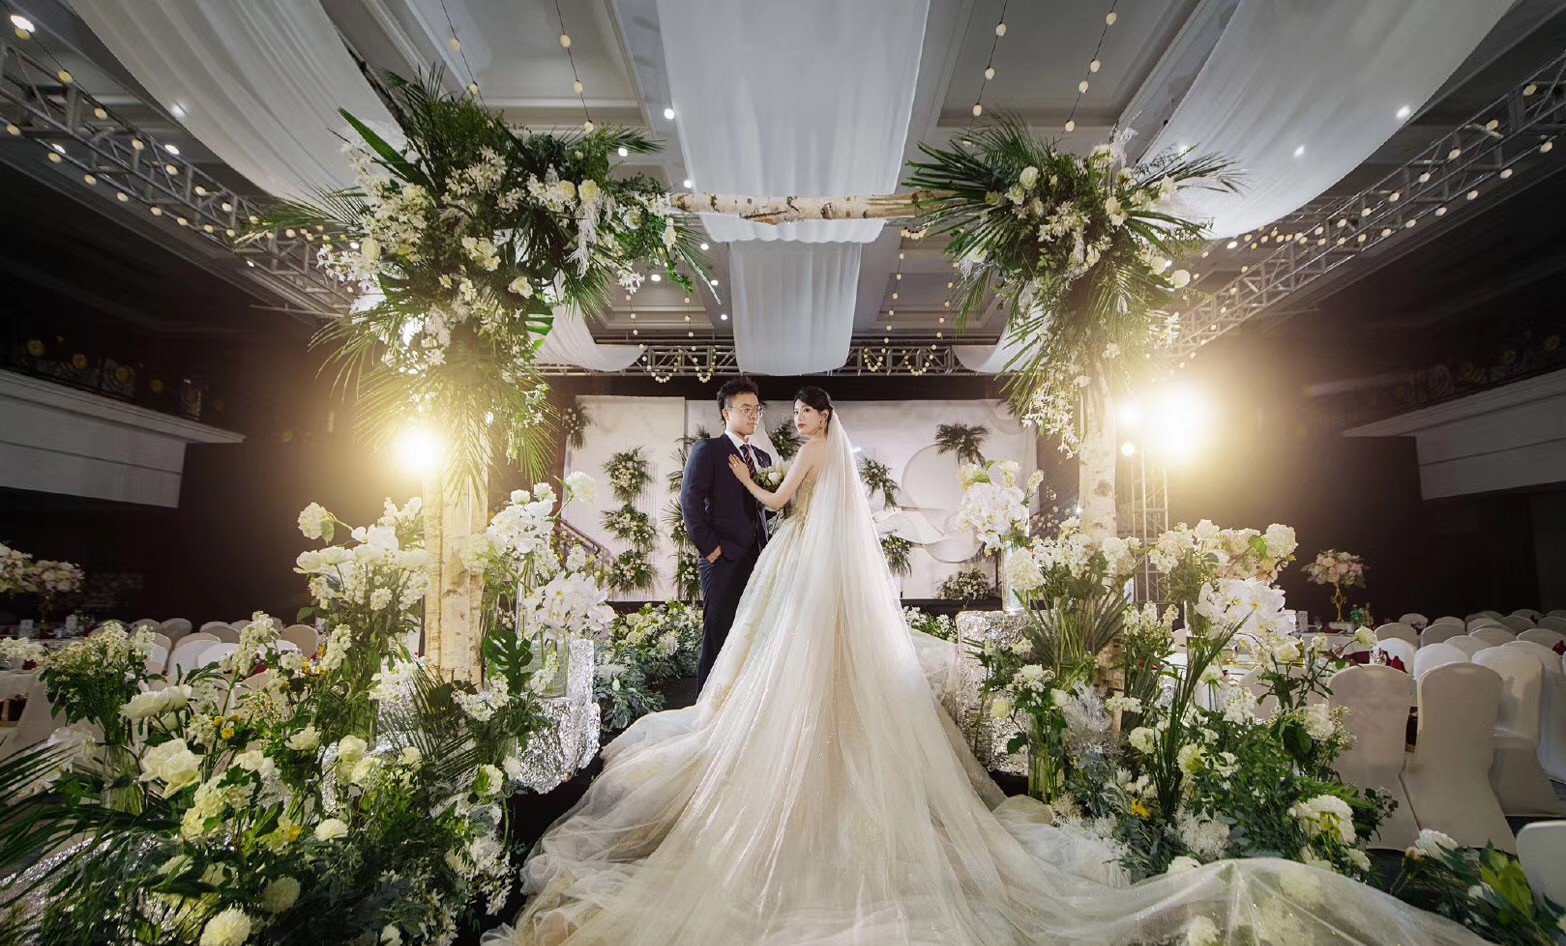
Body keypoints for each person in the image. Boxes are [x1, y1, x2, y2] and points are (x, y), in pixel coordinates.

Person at [489, 388, 1484, 946]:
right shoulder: (815, 456)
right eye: (782, 411)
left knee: (788, 680)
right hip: (799, 579)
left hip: (796, 573)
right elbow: (784, 496)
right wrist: (754, 487)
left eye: (797, 411)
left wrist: (756, 482)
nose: (789, 418)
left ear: (819, 419)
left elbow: (784, 500)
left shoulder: (808, 458)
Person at [678, 376, 774, 689]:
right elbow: (690, 501)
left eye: (757, 410)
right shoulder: (708, 450)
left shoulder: (762, 458)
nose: (753, 415)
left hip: (759, 558)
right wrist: (711, 550)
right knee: (718, 633)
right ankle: (705, 706)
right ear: (726, 412)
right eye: (746, 409)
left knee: (752, 634)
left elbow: (765, 507)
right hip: (723, 558)